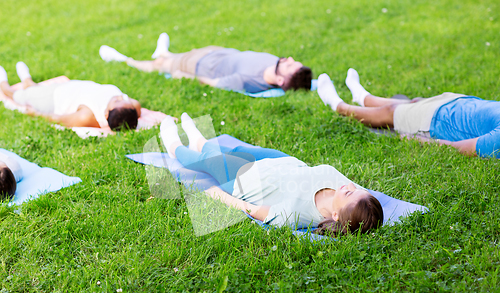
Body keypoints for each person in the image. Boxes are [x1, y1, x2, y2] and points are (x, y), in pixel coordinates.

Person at [159, 113, 383, 236]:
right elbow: (362, 200)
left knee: (207, 160)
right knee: (233, 150)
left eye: (348, 194)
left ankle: (175, 146)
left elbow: (254, 211)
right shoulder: (350, 195)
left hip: (245, 181)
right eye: (355, 189)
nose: (348, 187)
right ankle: (201, 140)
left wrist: (220, 196)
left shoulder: (297, 215)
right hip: (280, 161)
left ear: (335, 215)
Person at [317, 68, 500, 158]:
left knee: (391, 112)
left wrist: (419, 141)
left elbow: (458, 148)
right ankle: (364, 97)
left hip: (437, 122)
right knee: (413, 103)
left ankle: (338, 105)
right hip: (456, 103)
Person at [99, 32, 313, 93]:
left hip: (199, 66)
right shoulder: (275, 65)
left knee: (159, 66)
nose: (289, 59)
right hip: (216, 53)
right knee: (171, 57)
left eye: (289, 65)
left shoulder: (247, 81)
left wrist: (187, 77)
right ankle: (164, 52)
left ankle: (124, 60)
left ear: (279, 78)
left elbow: (213, 84)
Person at [0, 62, 141, 131]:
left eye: (117, 100)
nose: (122, 97)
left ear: (106, 114)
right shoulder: (130, 107)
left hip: (53, 98)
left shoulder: (87, 116)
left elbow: (59, 119)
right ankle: (27, 81)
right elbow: (134, 107)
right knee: (34, 89)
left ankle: (4, 84)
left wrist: (35, 114)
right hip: (70, 87)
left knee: (16, 95)